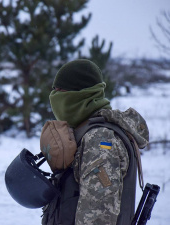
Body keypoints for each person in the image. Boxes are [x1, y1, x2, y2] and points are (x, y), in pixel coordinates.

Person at [45, 59, 149, 225]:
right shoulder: (84, 130)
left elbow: (98, 217)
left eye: (61, 91)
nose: (54, 97)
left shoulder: (100, 139)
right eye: (54, 90)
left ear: (79, 94)